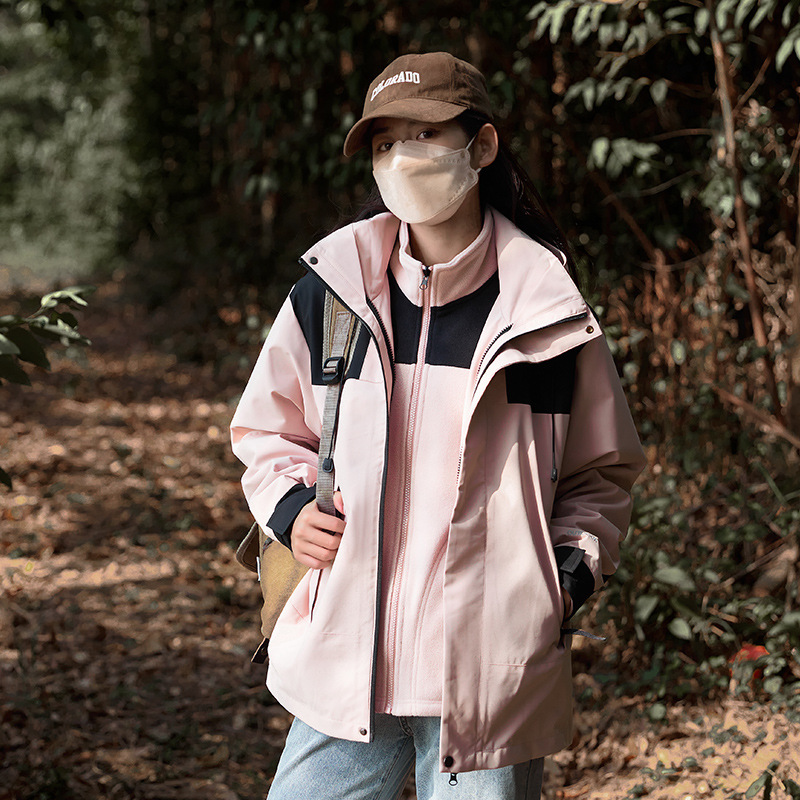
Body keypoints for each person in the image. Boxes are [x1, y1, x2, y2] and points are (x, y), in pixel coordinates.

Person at [230, 51, 646, 800]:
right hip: (344, 660)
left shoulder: (546, 316)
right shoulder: (331, 297)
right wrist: (292, 511)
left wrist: (562, 580)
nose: (400, 158)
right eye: (384, 143)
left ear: (480, 148)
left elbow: (602, 474)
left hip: (490, 674)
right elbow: (265, 431)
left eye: (421, 135)